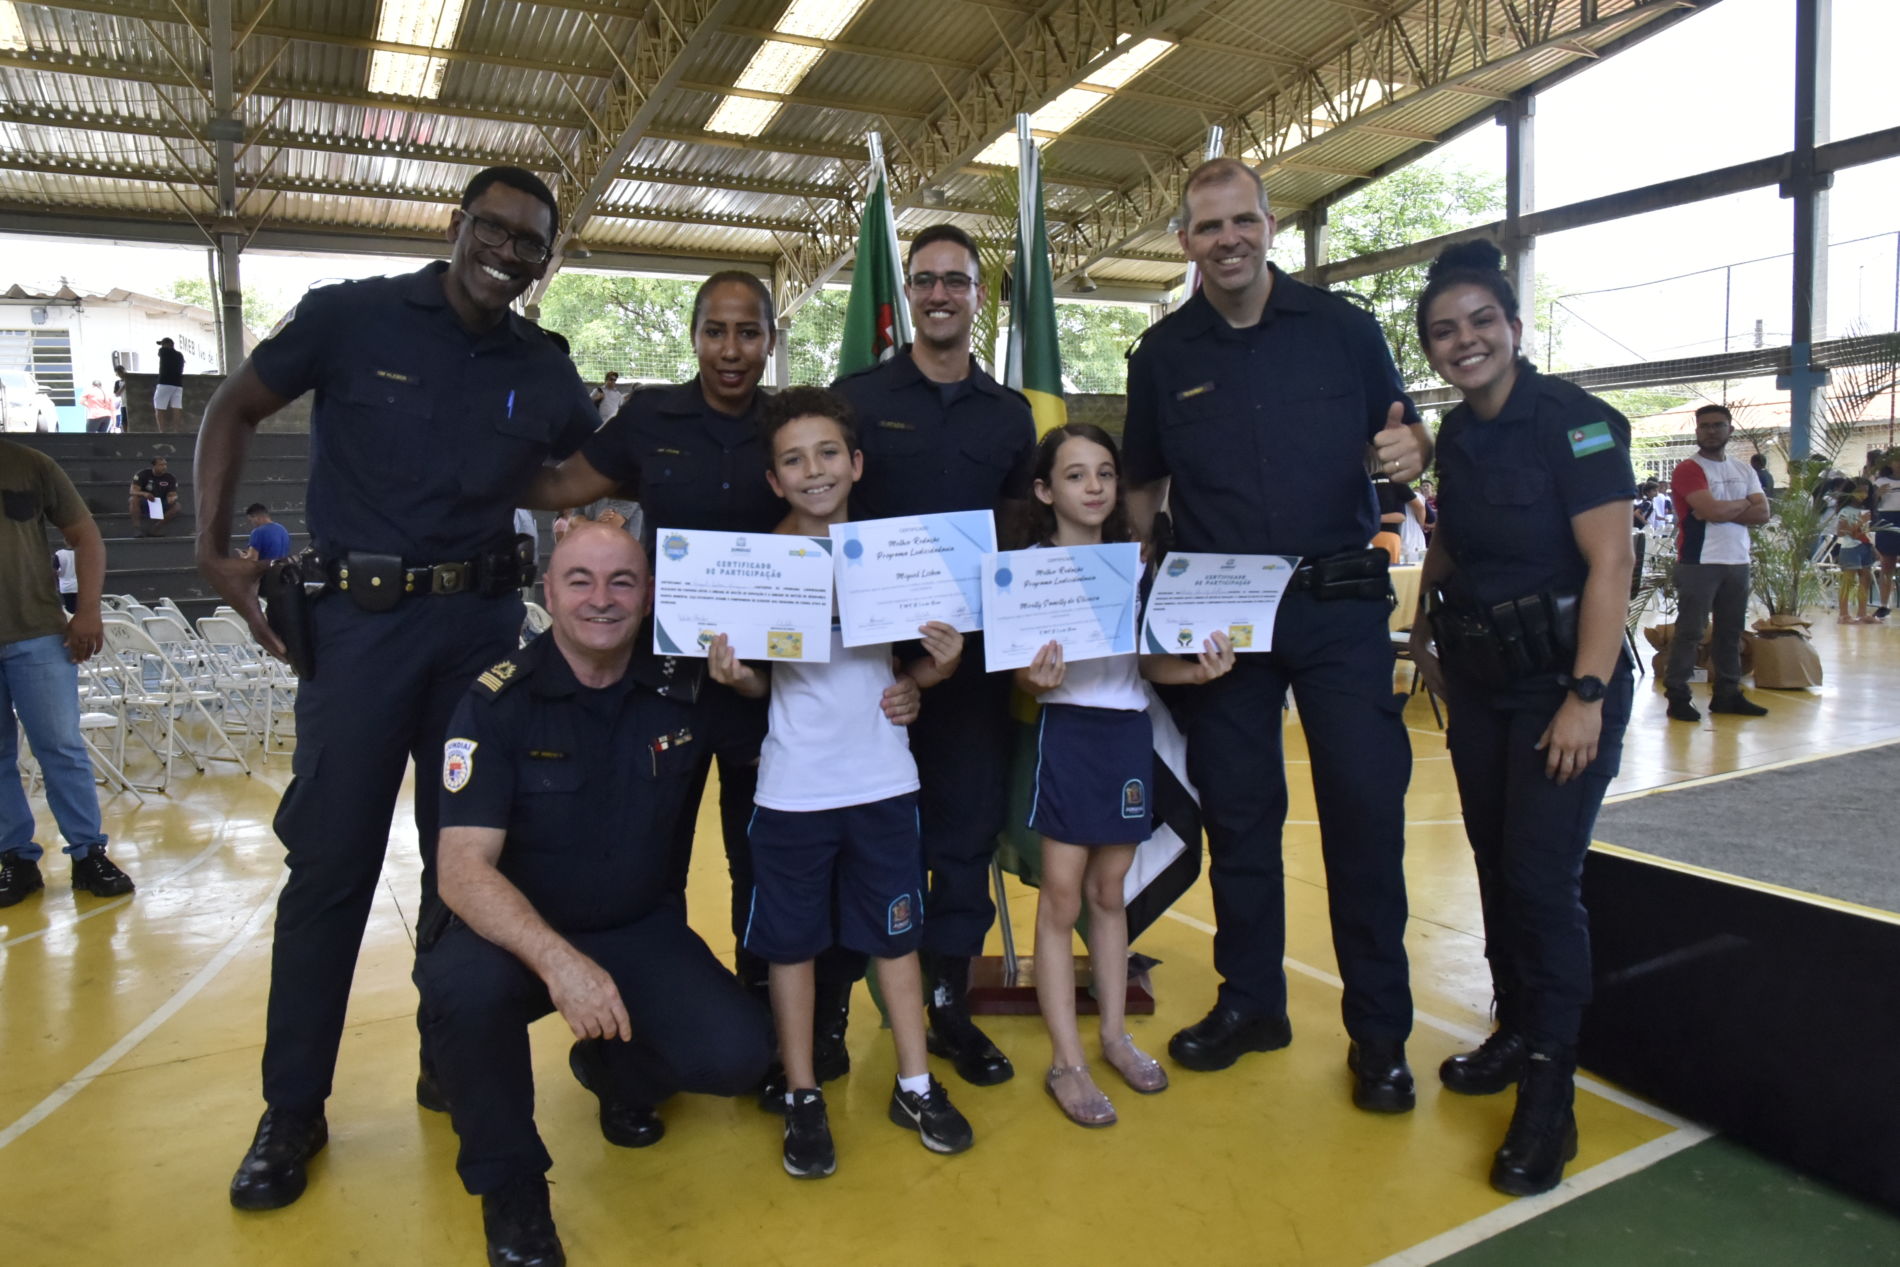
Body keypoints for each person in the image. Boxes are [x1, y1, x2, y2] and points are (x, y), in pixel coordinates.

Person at [198, 165, 600, 1212]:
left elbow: (558, 478)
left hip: (477, 635)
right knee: (329, 869)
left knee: (463, 861)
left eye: (528, 242)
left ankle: (447, 1058)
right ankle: (293, 1110)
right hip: (360, 635)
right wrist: (210, 549)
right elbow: (235, 407)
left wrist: (638, 461)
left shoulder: (542, 368)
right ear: (457, 225)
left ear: (545, 260)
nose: (505, 251)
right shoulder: (351, 318)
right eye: (493, 228)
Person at [1120, 157, 1431, 1111]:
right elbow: (1140, 486)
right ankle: (1253, 1002)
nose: (1227, 241)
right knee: (1242, 819)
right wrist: (1144, 584)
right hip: (1222, 613)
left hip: (1338, 601)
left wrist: (1416, 446)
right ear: (1185, 242)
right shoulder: (1163, 354)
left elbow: (1403, 439)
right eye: (1207, 227)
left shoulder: (1345, 332)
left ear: (1270, 225)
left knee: (1364, 817)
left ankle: (1379, 1034)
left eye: (1242, 221)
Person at [416, 521, 772, 1266]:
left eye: (622, 581)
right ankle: (512, 1191)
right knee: (461, 993)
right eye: (580, 579)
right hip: (511, 936)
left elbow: (779, 744)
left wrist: (756, 683)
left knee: (739, 1056)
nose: (601, 599)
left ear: (649, 596)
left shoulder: (687, 688)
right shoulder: (497, 701)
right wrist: (559, 962)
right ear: (548, 591)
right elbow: (461, 870)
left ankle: (613, 1067)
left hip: (635, 925)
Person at [1406, 240, 1636, 1197]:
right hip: (1482, 682)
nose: (1465, 342)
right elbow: (1453, 543)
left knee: (1544, 882)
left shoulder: (1576, 423)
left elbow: (1610, 564)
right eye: (1445, 332)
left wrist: (1585, 696)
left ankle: (1553, 1088)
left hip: (1560, 692)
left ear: (1512, 326)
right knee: (1498, 868)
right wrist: (1421, 633)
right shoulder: (1456, 436)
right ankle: (1513, 1027)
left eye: (1480, 323)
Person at [707, 386, 973, 1178]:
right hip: (792, 790)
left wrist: (937, 669)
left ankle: (915, 1083)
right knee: (790, 947)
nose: (813, 470)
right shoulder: (764, 562)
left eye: (827, 453)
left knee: (897, 937)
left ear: (855, 464)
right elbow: (763, 683)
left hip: (885, 780)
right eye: (793, 459)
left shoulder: (894, 554)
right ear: (774, 479)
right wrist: (736, 678)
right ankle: (800, 1094)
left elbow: (915, 663)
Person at [529, 271, 784, 1037]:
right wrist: (477, 453)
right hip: (663, 682)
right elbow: (564, 482)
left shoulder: (790, 422)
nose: (730, 350)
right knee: (652, 855)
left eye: (748, 332)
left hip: (761, 686)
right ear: (694, 335)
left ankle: (766, 1009)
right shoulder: (650, 417)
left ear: (770, 340)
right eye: (715, 331)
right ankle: (644, 1029)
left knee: (759, 855)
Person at [830, 224, 1039, 1089]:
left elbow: (1026, 533)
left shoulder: (1011, 414)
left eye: (957, 280)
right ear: (907, 294)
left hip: (973, 670)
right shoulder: (857, 396)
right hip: (873, 670)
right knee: (855, 838)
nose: (941, 294)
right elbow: (828, 510)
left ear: (977, 295)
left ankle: (947, 1008)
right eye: (926, 281)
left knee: (961, 840)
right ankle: (833, 1015)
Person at [1012, 422, 1235, 1126]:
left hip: (1127, 733)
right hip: (1069, 734)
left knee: (1111, 891)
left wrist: (1198, 669)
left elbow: (1145, 663)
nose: (1094, 486)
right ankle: (1066, 1060)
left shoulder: (1136, 564)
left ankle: (1112, 1035)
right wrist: (1031, 674)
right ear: (1046, 490)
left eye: (1105, 472)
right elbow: (1024, 677)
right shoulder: (1029, 566)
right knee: (1061, 897)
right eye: (1076, 475)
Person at [0, 438, 136, 907]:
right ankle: (16, 860)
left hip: (37, 631)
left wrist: (89, 610)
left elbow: (85, 535)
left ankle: (88, 855)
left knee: (60, 746)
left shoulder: (32, 466)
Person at [1663, 404, 1770, 722]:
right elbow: (1711, 512)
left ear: (1730, 430)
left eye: (1718, 425)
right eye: (1704, 426)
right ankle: (1678, 695)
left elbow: (1763, 514)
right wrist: (1742, 505)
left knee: (1731, 632)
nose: (1711, 431)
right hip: (1700, 561)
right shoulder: (1688, 469)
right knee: (1690, 632)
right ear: (1697, 431)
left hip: (1738, 560)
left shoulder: (1744, 470)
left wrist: (1721, 509)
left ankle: (1727, 695)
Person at [1829, 478, 1877, 624]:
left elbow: (1866, 532)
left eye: (1866, 491)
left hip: (1865, 547)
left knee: (1865, 579)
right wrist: (1860, 521)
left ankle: (1862, 612)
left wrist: (1874, 547)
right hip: (1850, 548)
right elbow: (1842, 532)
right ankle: (1843, 614)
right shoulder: (1845, 511)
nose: (1863, 494)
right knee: (1848, 581)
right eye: (1859, 491)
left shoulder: (1867, 510)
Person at [1872, 463, 1900, 619]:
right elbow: (1870, 503)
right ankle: (1883, 605)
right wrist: (1877, 494)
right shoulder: (1880, 481)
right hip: (1887, 519)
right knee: (1887, 565)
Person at [128, 455, 179, 537]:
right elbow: (132, 491)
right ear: (154, 465)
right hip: (146, 502)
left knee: (177, 506)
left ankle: (156, 528)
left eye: (165, 465)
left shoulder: (170, 478)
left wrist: (172, 498)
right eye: (161, 465)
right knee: (133, 499)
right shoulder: (142, 474)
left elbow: (173, 494)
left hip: (160, 502)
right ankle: (137, 528)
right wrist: (145, 494)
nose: (164, 467)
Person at [154, 336, 185, 433]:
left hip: (165, 383)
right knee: (176, 408)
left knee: (159, 407)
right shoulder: (180, 355)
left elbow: (160, 352)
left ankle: (162, 432)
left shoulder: (163, 351)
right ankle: (176, 431)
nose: (161, 346)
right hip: (178, 384)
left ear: (167, 344)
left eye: (163, 344)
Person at [53, 546, 77, 613]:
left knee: (69, 610)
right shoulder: (81, 552)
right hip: (79, 586)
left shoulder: (59, 554)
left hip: (65, 587)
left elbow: (54, 570)